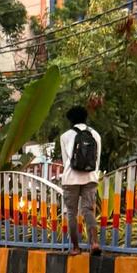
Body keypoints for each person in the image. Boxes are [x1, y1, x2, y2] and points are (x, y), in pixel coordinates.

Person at [59, 105, 103, 256]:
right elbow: (97, 159)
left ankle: (76, 247)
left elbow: (66, 161)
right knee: (88, 210)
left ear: (70, 120)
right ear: (85, 118)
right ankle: (94, 243)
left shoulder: (65, 136)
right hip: (90, 177)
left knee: (72, 212)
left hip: (71, 178)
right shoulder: (95, 134)